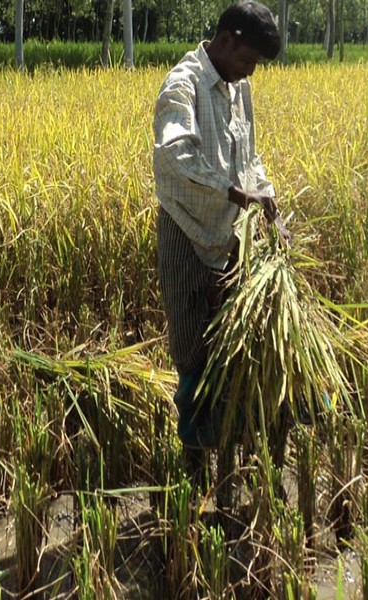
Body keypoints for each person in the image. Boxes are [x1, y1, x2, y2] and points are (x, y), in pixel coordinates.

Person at [153, 2, 289, 458]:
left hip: (232, 235)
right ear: (226, 40)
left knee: (234, 342)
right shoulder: (183, 84)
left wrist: (266, 201)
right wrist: (237, 195)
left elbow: (249, 157)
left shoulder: (239, 86)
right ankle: (193, 452)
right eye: (248, 59)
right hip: (187, 233)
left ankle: (231, 438)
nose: (250, 70)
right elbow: (174, 155)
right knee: (192, 346)